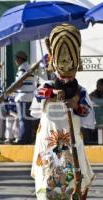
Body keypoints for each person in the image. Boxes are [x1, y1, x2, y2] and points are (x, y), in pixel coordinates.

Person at [30, 24, 95, 200]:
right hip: (49, 143)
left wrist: (76, 107)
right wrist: (52, 93)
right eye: (62, 60)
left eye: (69, 60)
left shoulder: (80, 90)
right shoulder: (47, 86)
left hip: (71, 143)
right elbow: (38, 94)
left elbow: (86, 112)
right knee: (48, 183)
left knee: (74, 181)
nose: (66, 64)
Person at [13, 51, 37, 144]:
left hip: (22, 97)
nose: (15, 61)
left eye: (16, 59)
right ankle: (28, 138)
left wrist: (12, 89)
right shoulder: (29, 67)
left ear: (19, 59)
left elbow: (19, 83)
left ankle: (23, 139)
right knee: (28, 120)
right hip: (29, 97)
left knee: (23, 119)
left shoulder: (22, 69)